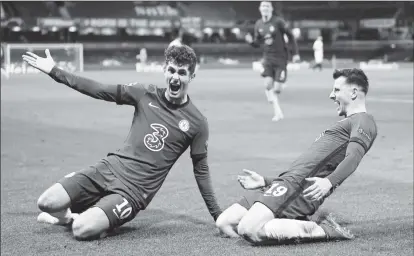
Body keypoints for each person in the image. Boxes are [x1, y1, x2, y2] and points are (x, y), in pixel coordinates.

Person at [22, 45, 222, 240]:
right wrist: (55, 72)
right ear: (164, 70)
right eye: (171, 70)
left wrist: (217, 215)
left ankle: (92, 217)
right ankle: (69, 217)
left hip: (134, 191)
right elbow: (99, 89)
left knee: (81, 229)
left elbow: (201, 171)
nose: (175, 77)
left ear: (191, 76)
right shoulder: (145, 94)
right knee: (46, 202)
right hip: (109, 169)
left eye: (182, 72)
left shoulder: (197, 123)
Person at [216, 68, 378, 245]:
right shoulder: (345, 123)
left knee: (249, 229)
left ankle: (321, 230)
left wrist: (329, 181)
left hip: (297, 188)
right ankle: (294, 222)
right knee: (224, 223)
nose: (332, 95)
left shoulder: (363, 121)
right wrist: (266, 180)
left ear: (354, 92)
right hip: (284, 183)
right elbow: (308, 165)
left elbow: (353, 156)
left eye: (337, 90)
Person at [245, 1, 300, 122]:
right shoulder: (258, 24)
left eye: (267, 6)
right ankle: (278, 112)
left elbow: (290, 36)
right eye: (263, 6)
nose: (265, 8)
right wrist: (250, 42)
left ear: (271, 9)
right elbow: (257, 43)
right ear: (260, 9)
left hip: (281, 58)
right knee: (268, 85)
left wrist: (295, 53)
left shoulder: (278, 22)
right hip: (268, 58)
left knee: (277, 89)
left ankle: (272, 95)